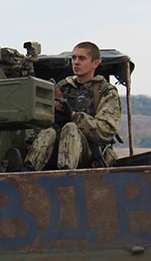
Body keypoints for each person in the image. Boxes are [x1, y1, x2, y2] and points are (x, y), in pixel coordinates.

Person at [24, 41, 122, 170]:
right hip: (56, 147)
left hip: (90, 152)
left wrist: (73, 116)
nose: (76, 62)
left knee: (70, 127)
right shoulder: (63, 87)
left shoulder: (105, 92)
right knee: (48, 132)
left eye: (82, 58)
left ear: (95, 63)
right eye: (74, 58)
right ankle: (27, 171)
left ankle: (66, 175)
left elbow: (105, 131)